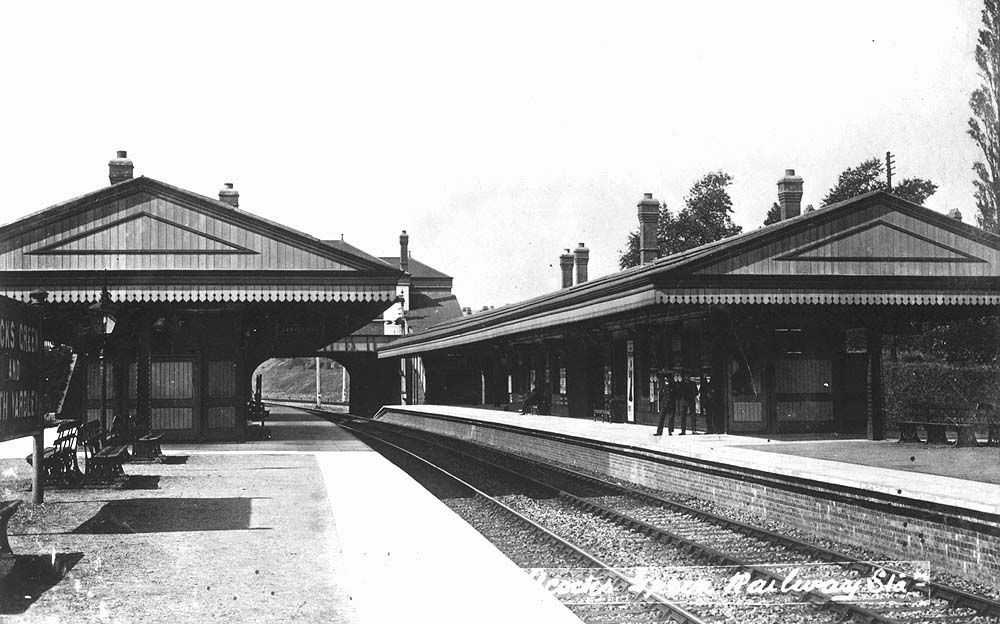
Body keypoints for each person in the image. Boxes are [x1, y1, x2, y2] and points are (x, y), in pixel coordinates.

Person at [654, 370, 675, 436]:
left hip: (671, 404)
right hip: (664, 404)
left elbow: (676, 394)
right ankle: (659, 432)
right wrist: (661, 404)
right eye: (665, 379)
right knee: (661, 418)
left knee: (671, 418)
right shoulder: (662, 386)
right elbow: (660, 395)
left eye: (667, 379)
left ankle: (670, 431)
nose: (666, 380)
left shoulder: (672, 386)